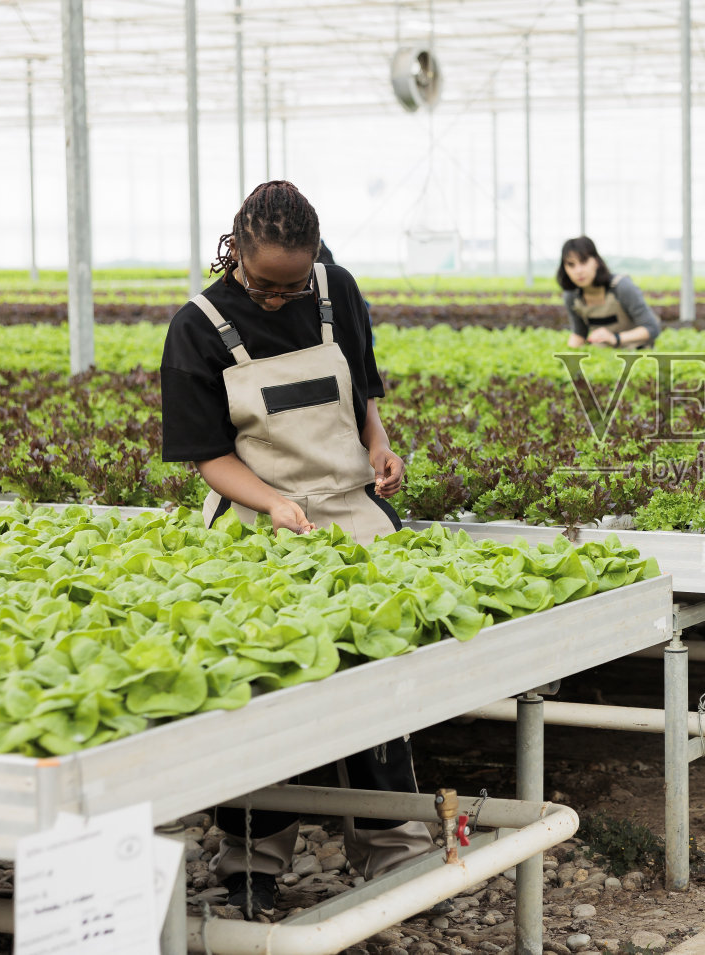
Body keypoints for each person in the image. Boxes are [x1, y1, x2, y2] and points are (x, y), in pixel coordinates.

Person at [159, 181, 434, 914]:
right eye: (264, 283)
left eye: (293, 281)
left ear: (315, 258)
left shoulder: (334, 290)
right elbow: (208, 455)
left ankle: (396, 848)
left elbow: (362, 392)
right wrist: (275, 502)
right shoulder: (198, 325)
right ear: (236, 251)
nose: (279, 295)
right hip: (259, 523)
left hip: (349, 515)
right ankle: (253, 855)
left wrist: (379, 446)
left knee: (380, 679)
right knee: (261, 690)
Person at [558, 236, 662, 348]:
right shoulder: (572, 296)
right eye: (571, 264)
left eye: (584, 262)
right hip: (602, 357)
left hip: (637, 355)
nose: (578, 271)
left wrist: (615, 338)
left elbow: (652, 328)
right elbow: (579, 334)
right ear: (564, 268)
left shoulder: (621, 287)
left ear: (596, 261)